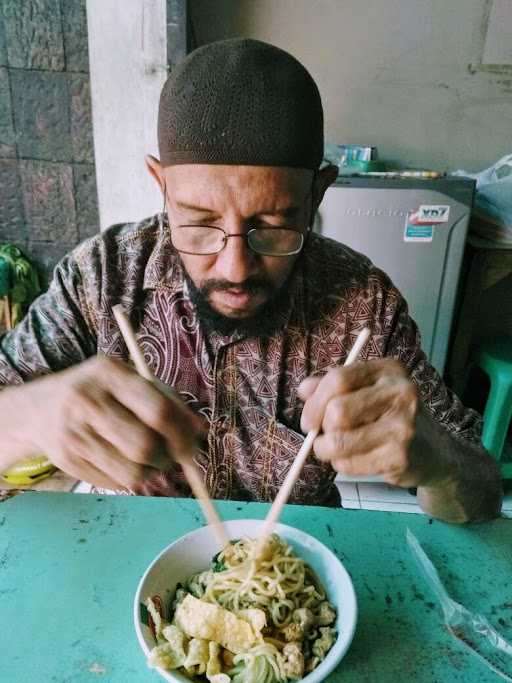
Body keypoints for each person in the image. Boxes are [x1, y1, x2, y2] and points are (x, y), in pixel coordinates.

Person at [0, 39, 502, 522]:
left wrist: (438, 460)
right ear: (162, 186)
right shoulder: (102, 278)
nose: (235, 268)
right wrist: (28, 415)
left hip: (292, 572)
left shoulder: (364, 307)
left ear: (317, 195)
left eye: (275, 225)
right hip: (131, 555)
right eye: (199, 222)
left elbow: (481, 499)